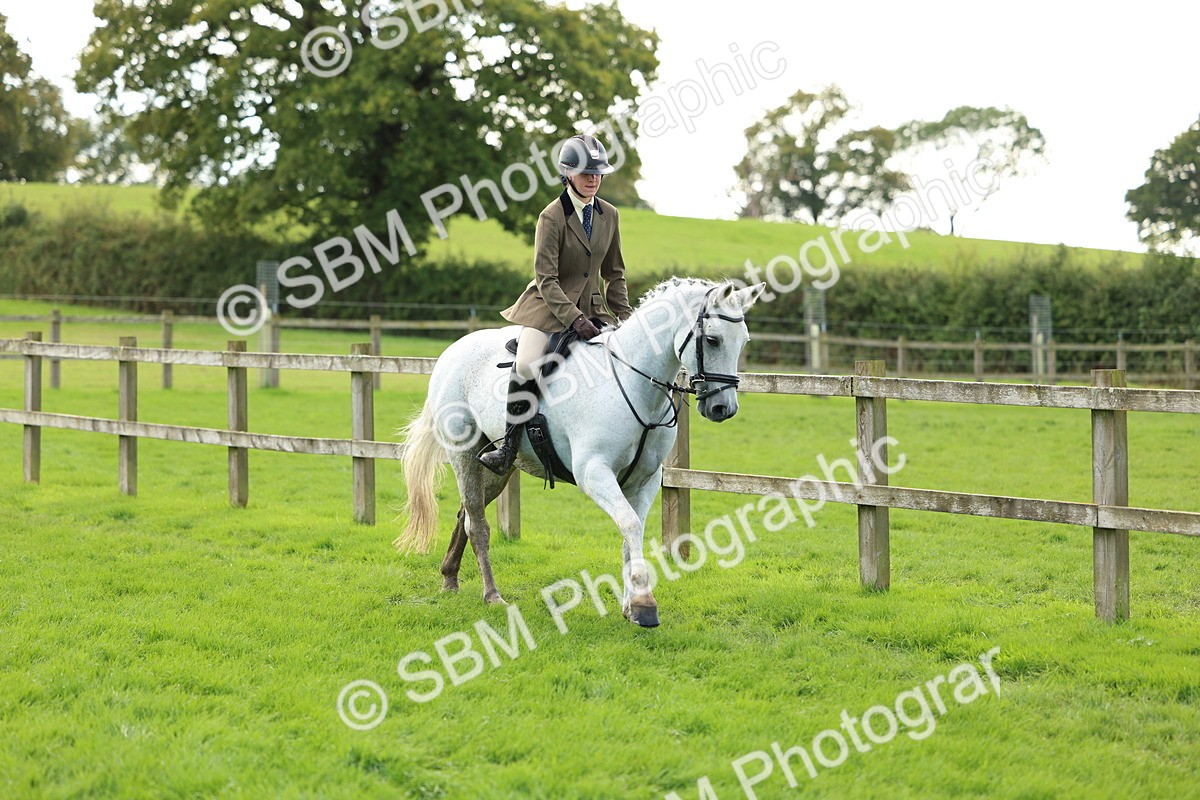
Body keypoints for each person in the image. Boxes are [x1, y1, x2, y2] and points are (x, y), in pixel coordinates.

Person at [477, 133, 634, 474]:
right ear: (567, 174)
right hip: (548, 308)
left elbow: (615, 274)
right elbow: (546, 278)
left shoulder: (610, 214)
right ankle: (507, 447)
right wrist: (574, 319)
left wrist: (627, 317)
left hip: (594, 309)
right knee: (528, 363)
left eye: (598, 172)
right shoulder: (551, 216)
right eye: (584, 172)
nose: (593, 179)